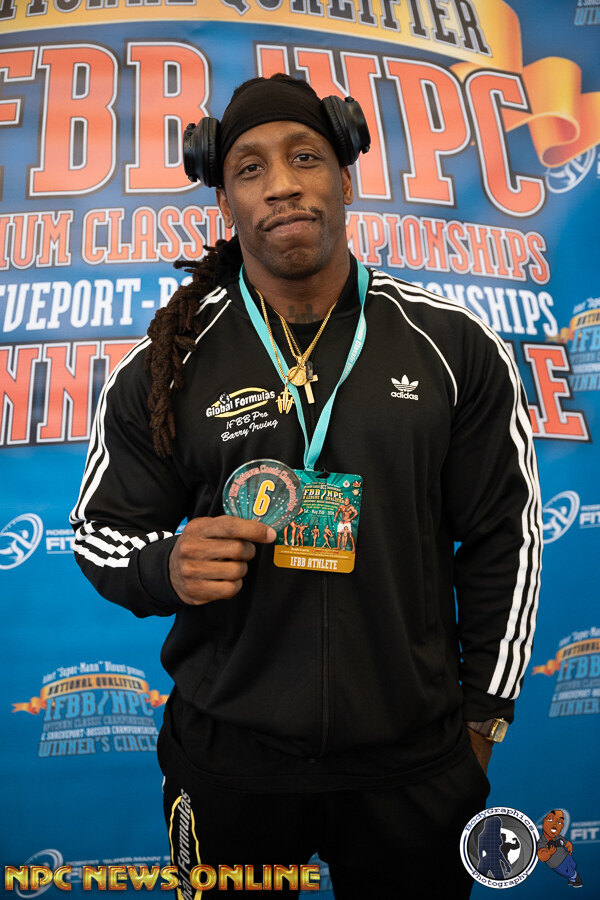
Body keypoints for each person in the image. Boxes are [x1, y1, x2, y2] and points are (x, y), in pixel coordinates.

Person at [71, 74, 542, 898]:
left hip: (413, 762)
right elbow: (99, 531)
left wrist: (483, 721)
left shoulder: (452, 346)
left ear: (346, 180)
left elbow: (504, 534)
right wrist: (165, 565)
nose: (282, 184)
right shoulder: (167, 364)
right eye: (250, 168)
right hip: (230, 763)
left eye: (305, 158)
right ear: (225, 202)